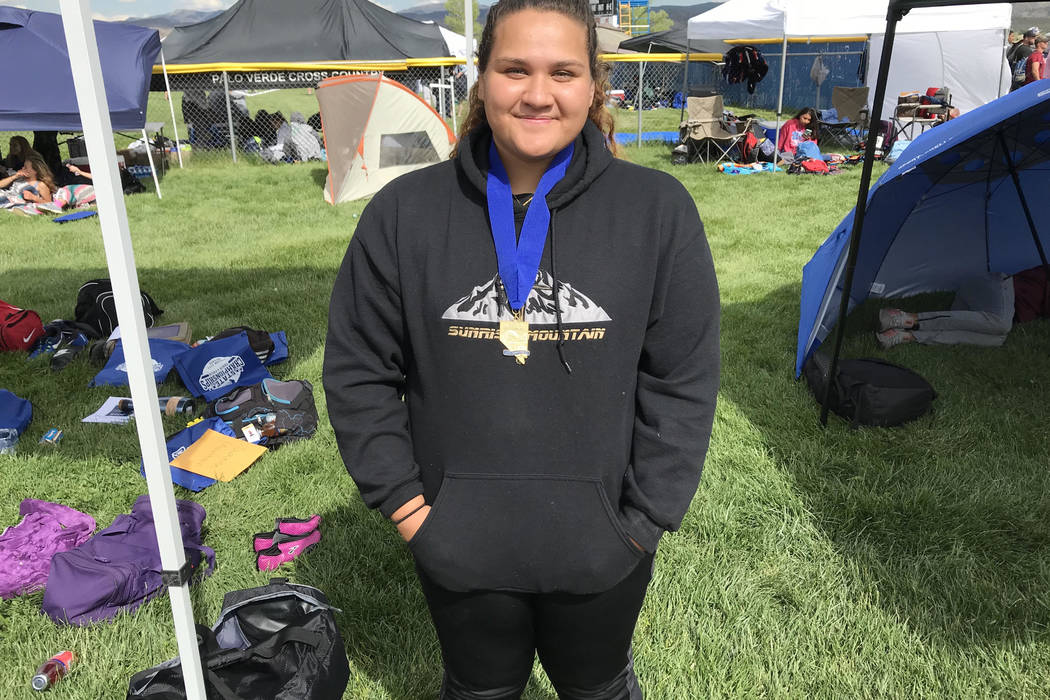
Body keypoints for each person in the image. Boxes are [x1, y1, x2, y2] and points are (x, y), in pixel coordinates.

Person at [323, 0, 720, 696]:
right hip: (456, 543)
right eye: (515, 69)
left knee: (598, 687)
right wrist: (415, 514)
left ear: (594, 84)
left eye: (563, 71)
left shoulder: (657, 210)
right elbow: (359, 373)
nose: (538, 93)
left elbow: (682, 380)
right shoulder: (404, 213)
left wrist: (642, 522)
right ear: (482, 79)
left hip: (605, 543)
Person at [1009, 26, 1040, 91]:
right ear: (1026, 38)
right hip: (1020, 81)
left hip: (1013, 78)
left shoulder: (1019, 46)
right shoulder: (1026, 50)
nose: (1034, 39)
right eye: (1033, 37)